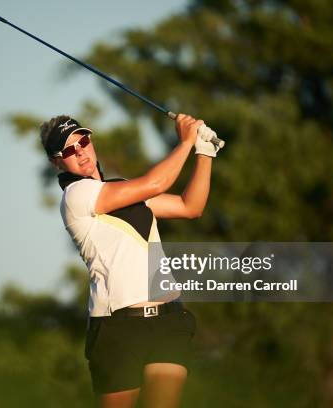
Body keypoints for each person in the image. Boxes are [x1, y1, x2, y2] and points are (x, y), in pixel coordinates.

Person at [39, 114, 220, 408]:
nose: (81, 151)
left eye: (83, 141)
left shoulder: (123, 189)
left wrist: (204, 151)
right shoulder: (76, 196)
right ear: (57, 163)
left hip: (168, 320)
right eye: (70, 150)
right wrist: (186, 141)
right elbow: (155, 183)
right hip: (116, 328)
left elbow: (190, 206)